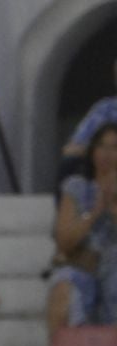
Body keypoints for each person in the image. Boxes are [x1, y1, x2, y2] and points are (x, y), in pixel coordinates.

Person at [48, 123, 117, 334]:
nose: (107, 153)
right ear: (93, 151)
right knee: (64, 288)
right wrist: (94, 212)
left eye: (114, 147)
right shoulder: (77, 186)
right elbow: (64, 243)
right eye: (101, 146)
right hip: (83, 268)